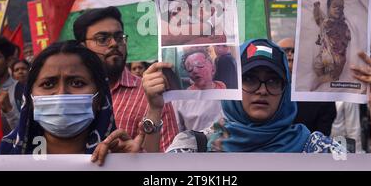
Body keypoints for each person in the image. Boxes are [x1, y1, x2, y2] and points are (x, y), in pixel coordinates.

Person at [143, 39, 347, 153]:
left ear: (286, 90)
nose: (262, 90)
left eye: (273, 81)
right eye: (249, 79)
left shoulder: (315, 148)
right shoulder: (196, 146)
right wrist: (154, 110)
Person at [0, 41, 144, 164]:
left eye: (77, 83)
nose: (61, 94)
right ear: (30, 98)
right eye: (48, 84)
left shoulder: (120, 157)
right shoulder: (0, 161)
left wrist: (136, 164)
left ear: (99, 97)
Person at [73, 6, 178, 151]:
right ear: (82, 47)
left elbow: (169, 159)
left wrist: (136, 157)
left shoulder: (151, 96)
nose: (114, 44)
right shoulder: (70, 95)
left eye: (119, 37)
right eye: (102, 39)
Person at [277, 38, 336, 136]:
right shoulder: (267, 91)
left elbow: (323, 131)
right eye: (284, 51)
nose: (290, 55)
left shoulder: (320, 93)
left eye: (294, 51)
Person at [313, 0, 351, 85]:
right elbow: (319, 18)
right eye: (334, 6)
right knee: (317, 64)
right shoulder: (326, 22)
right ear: (328, 9)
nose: (338, 9)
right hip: (325, 53)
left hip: (338, 55)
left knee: (335, 71)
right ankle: (322, 78)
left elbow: (347, 37)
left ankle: (326, 80)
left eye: (341, 7)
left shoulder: (343, 24)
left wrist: (346, 36)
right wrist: (316, 8)